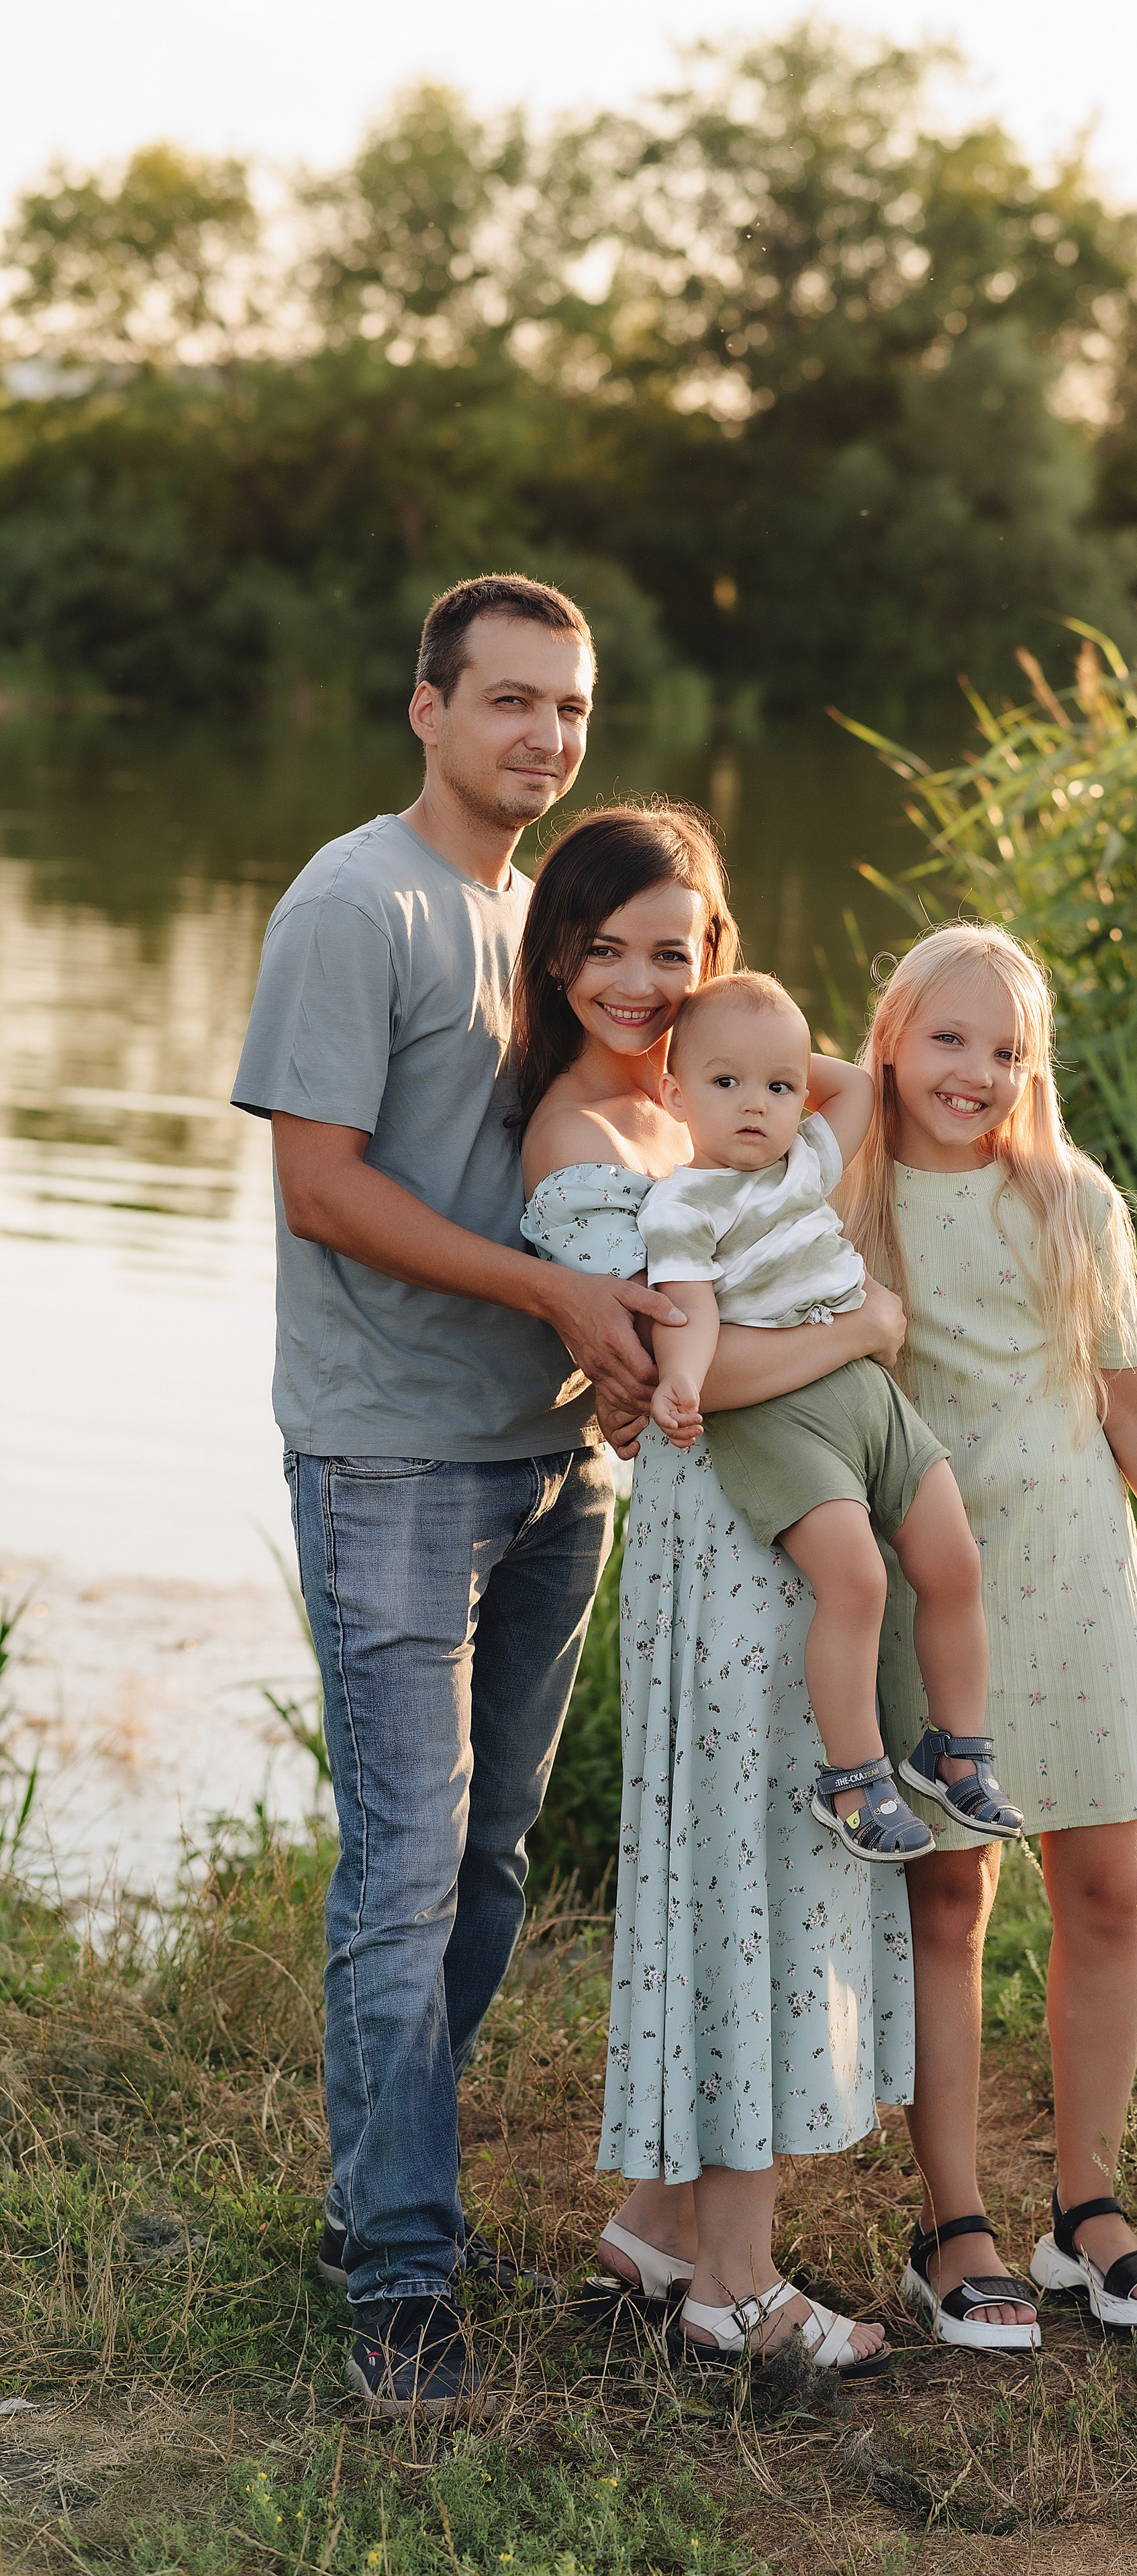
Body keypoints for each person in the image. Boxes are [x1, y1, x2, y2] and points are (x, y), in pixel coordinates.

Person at [231, 575, 691, 2421]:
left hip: (556, 1449)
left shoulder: (548, 911)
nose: (544, 737)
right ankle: (404, 2269)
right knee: (407, 1865)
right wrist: (560, 1295)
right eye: (508, 701)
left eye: (570, 710)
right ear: (427, 706)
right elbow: (323, 1192)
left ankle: (380, 2196)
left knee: (494, 1857)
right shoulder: (362, 904)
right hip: (392, 1453)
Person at [514, 805, 910, 2373]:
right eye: (604, 948)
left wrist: (751, 1046)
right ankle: (735, 2288)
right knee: (745, 1859)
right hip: (722, 1541)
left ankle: (663, 2219)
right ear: (555, 954)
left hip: (774, 1526)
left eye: (671, 951)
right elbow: (712, 1366)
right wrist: (865, 1330)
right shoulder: (587, 1143)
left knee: (741, 1853)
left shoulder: (707, 1101)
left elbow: (868, 1090)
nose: (636, 981)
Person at [844, 923, 1137, 2350]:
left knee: (1103, 1896)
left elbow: (1130, 1399)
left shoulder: (1073, 1201)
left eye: (1004, 1048)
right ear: (889, 1036)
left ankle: (1083, 2200)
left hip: (1081, 1579)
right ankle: (949, 2213)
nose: (972, 1072)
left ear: (1036, 1067)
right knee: (947, 1903)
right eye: (944, 1038)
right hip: (931, 1591)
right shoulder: (846, 1198)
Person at [638, 971, 1023, 1865]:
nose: (756, 1105)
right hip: (780, 1412)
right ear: (674, 1092)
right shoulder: (680, 1202)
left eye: (776, 1086)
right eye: (723, 1084)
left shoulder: (803, 1157)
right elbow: (689, 1308)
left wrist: (762, 1050)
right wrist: (683, 1381)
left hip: (869, 1394)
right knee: (858, 1580)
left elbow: (852, 1082)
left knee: (952, 1559)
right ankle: (852, 1776)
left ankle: (952, 1749)